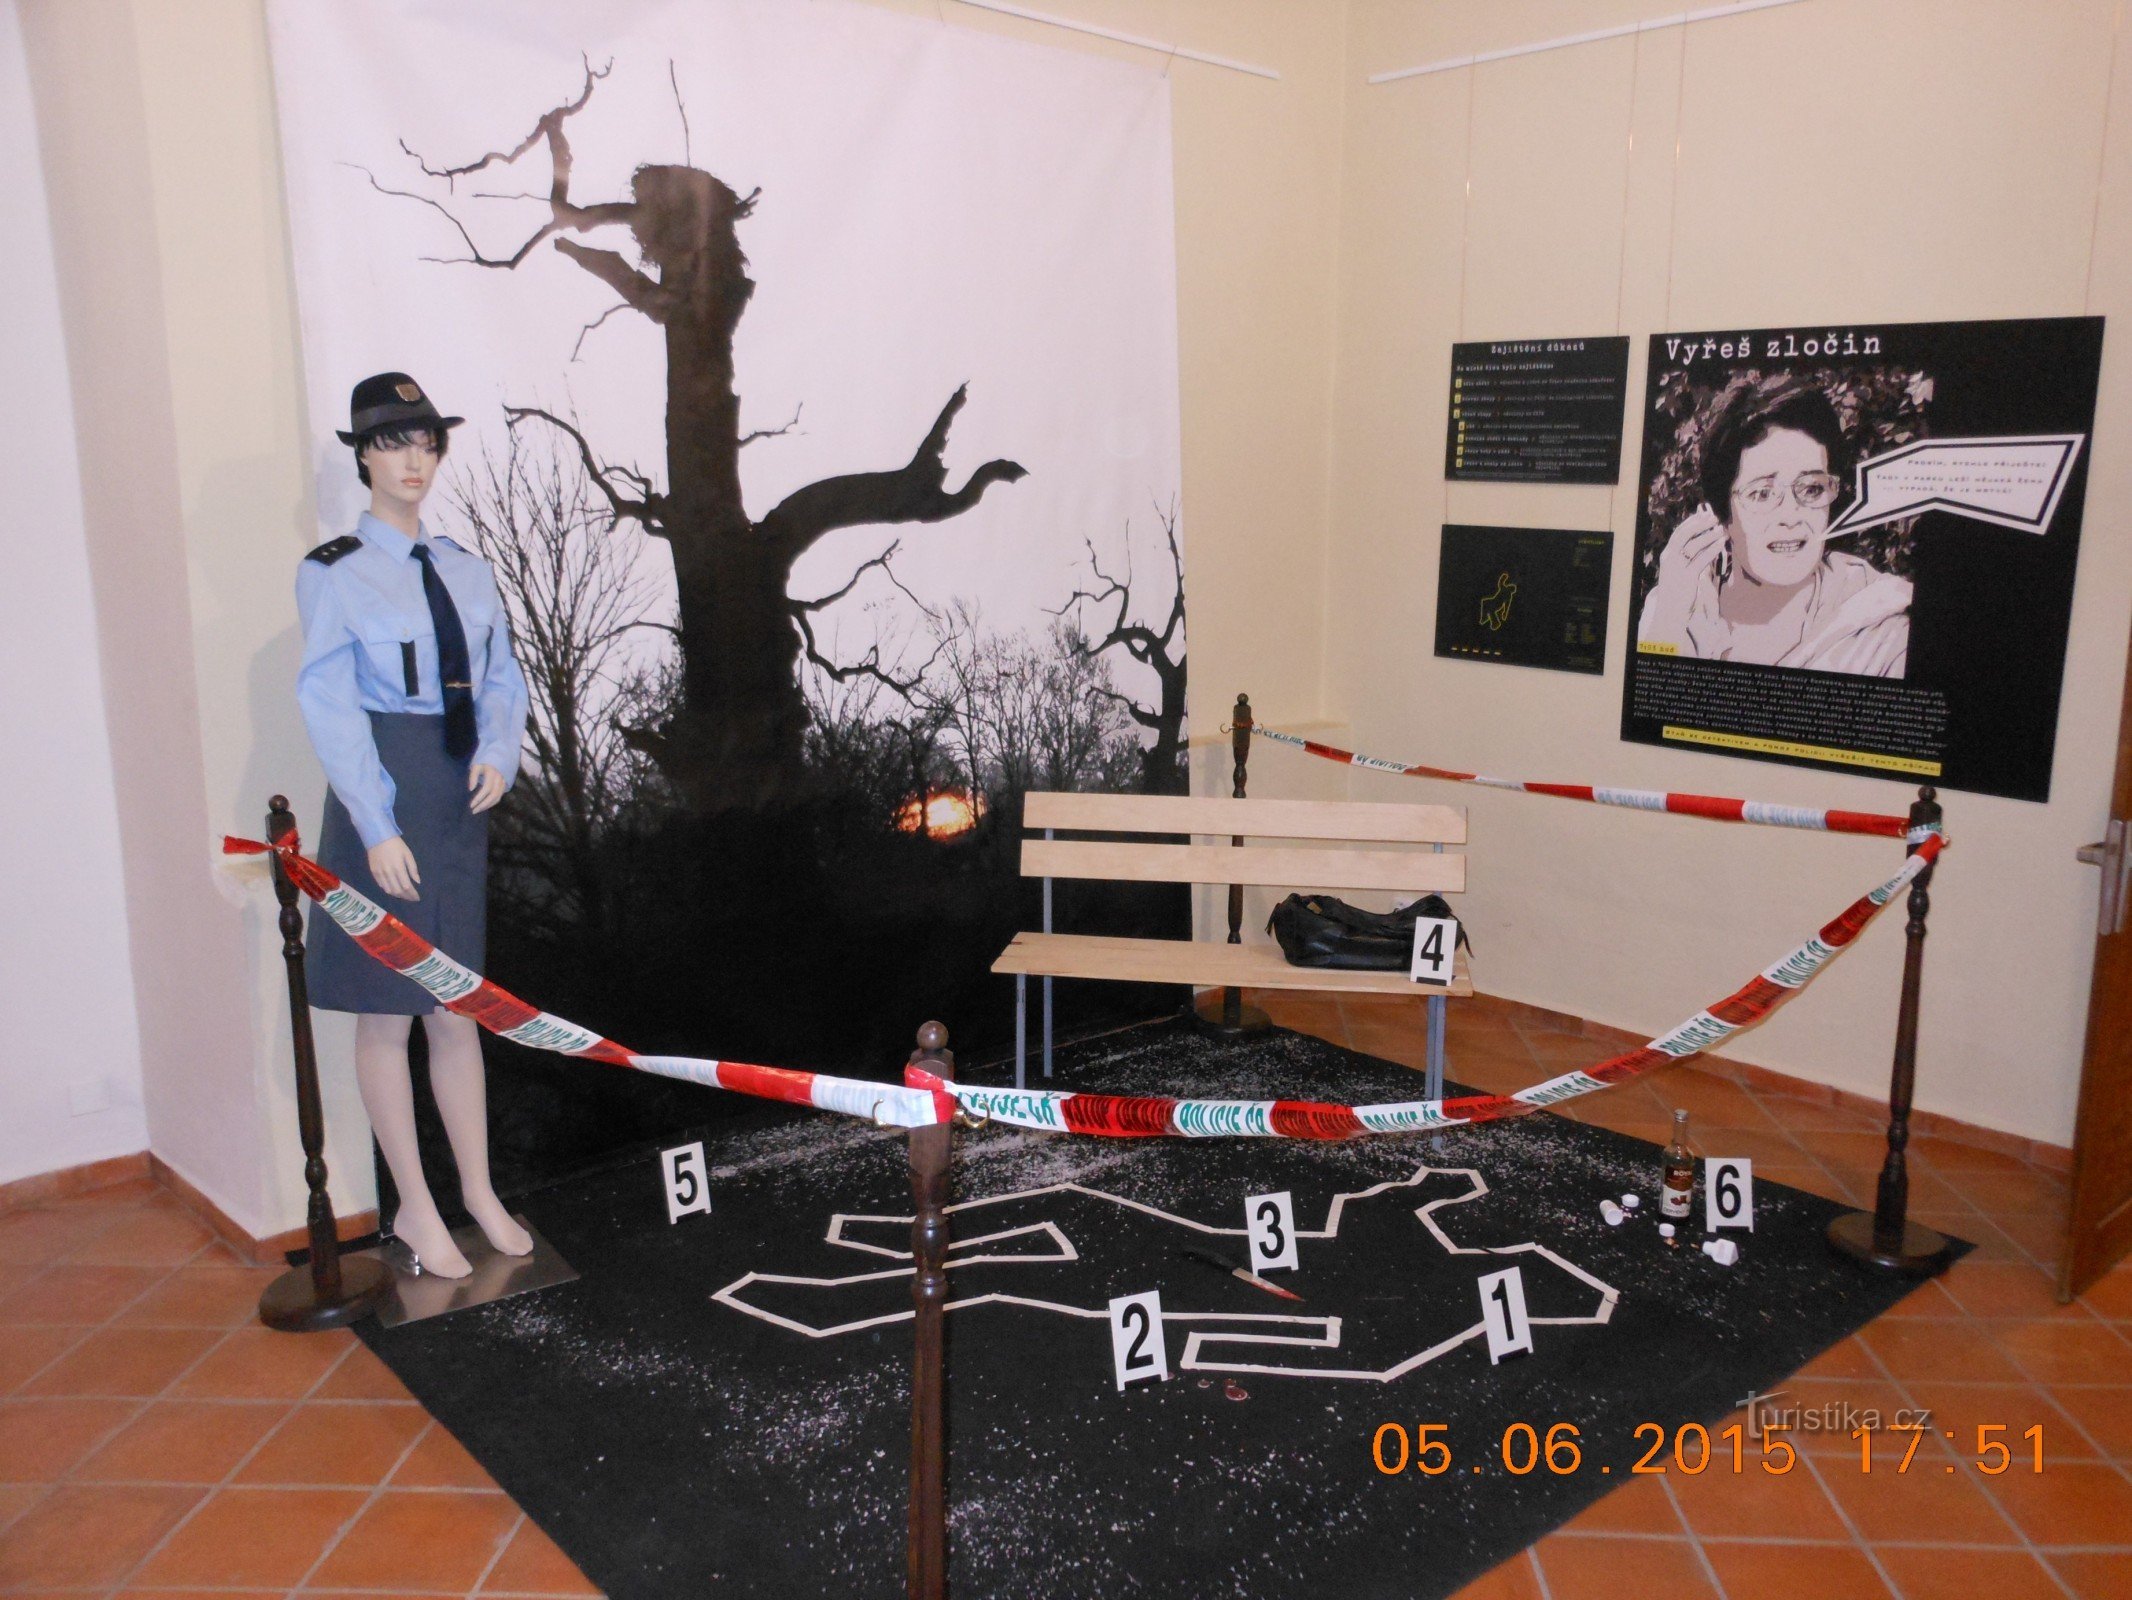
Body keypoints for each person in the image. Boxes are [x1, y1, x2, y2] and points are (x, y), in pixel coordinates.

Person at [296, 372, 531, 1278]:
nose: (413, 461)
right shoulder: (334, 574)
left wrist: (500, 753)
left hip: (455, 793)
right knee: (388, 1014)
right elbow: (330, 705)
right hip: (383, 796)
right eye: (394, 444)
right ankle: (416, 1206)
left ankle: (477, 1190)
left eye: (426, 443)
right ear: (362, 456)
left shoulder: (467, 568)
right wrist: (375, 823)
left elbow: (501, 675)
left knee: (455, 1008)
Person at [1637, 378, 1911, 676]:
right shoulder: (1677, 607)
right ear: (1721, 514)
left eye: (1812, 489)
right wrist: (1669, 616)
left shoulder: (1881, 628)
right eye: (1762, 493)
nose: (1791, 516)